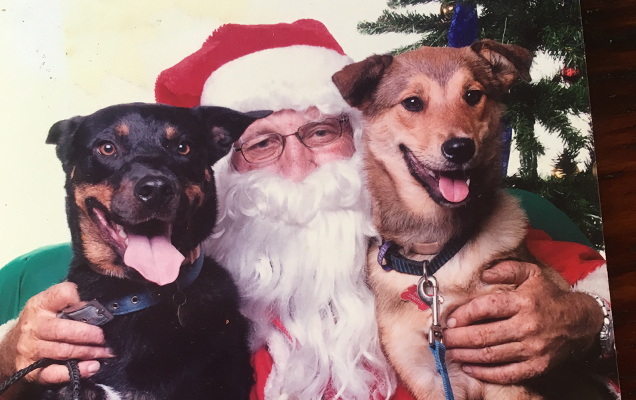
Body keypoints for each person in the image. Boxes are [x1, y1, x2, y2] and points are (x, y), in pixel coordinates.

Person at [0, 19, 614, 400]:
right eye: (263, 144)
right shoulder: (152, 276)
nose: (298, 165)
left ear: (364, 139)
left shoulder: (447, 241)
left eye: (321, 133)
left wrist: (591, 323)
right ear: (219, 175)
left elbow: (590, 290)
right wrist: (9, 358)